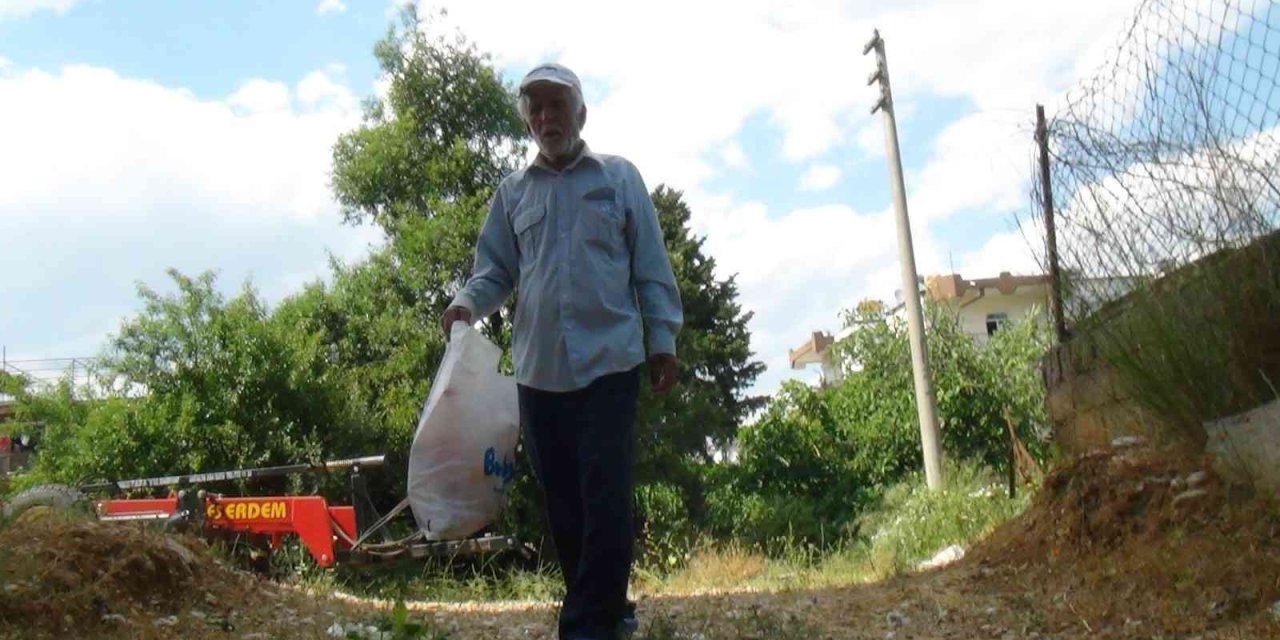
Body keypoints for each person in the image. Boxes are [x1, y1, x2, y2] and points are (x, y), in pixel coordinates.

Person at [439, 62, 683, 640]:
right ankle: (610, 611)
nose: (547, 117)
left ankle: (584, 627)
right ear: (529, 122)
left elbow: (650, 266)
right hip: (539, 371)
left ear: (580, 113)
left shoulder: (620, 179)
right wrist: (466, 305)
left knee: (606, 498)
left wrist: (662, 339)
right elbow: (495, 270)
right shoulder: (513, 193)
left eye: (557, 105)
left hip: (610, 363)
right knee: (566, 509)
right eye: (537, 109)